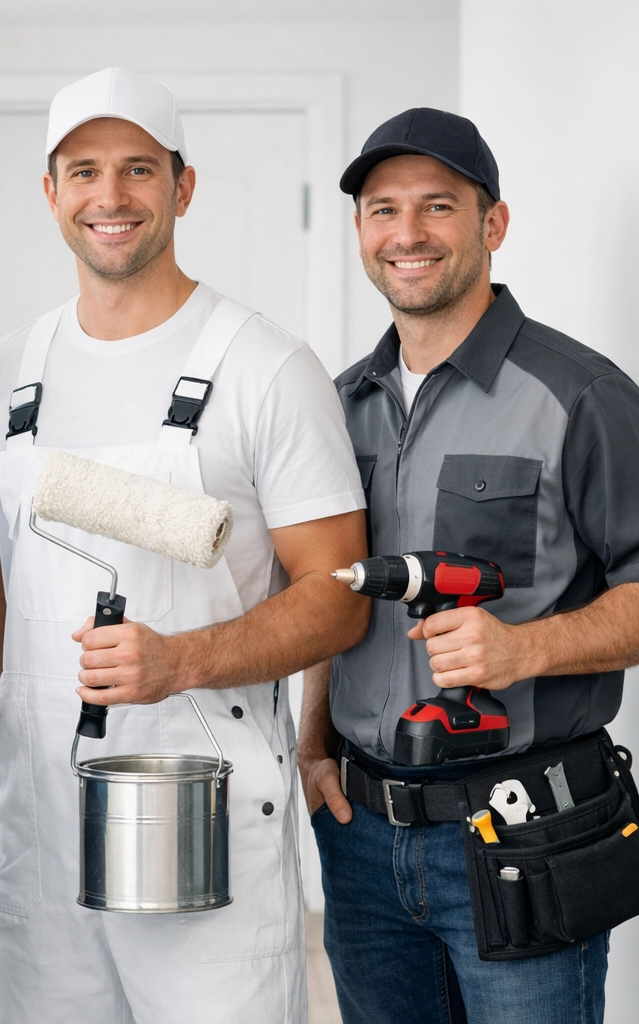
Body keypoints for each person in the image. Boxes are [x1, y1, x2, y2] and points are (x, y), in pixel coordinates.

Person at [0, 67, 369, 1024]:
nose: (111, 196)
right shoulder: (1, 376)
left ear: (183, 187)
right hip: (41, 812)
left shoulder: (266, 367)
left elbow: (340, 594)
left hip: (201, 804)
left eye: (139, 169)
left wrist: (181, 660)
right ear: (50, 193)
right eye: (84, 170)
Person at [299, 108, 639, 1024]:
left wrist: (522, 651)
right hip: (363, 840)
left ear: (492, 225)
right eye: (381, 210)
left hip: (525, 828)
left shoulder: (585, 397)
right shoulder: (338, 407)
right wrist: (312, 741)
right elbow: (337, 602)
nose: (406, 234)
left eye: (436, 206)